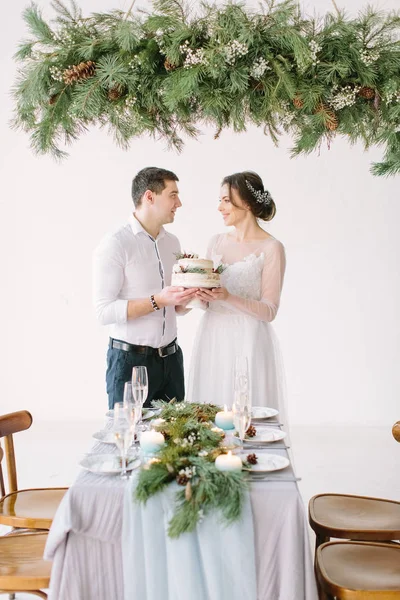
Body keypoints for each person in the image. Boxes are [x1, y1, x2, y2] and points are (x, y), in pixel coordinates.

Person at [93, 167, 197, 409]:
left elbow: (175, 308)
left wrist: (190, 298)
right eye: (173, 195)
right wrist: (158, 300)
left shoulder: (173, 243)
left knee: (175, 444)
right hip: (130, 363)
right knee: (131, 441)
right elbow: (104, 312)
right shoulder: (115, 243)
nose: (179, 203)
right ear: (149, 196)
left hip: (171, 361)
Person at [187, 171, 286, 415]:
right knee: (211, 413)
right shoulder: (216, 242)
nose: (220, 207)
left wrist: (228, 297)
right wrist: (196, 293)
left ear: (248, 203)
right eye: (220, 200)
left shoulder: (272, 248)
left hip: (249, 340)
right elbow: (206, 299)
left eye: (226, 200)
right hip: (213, 337)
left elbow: (269, 311)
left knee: (247, 415)